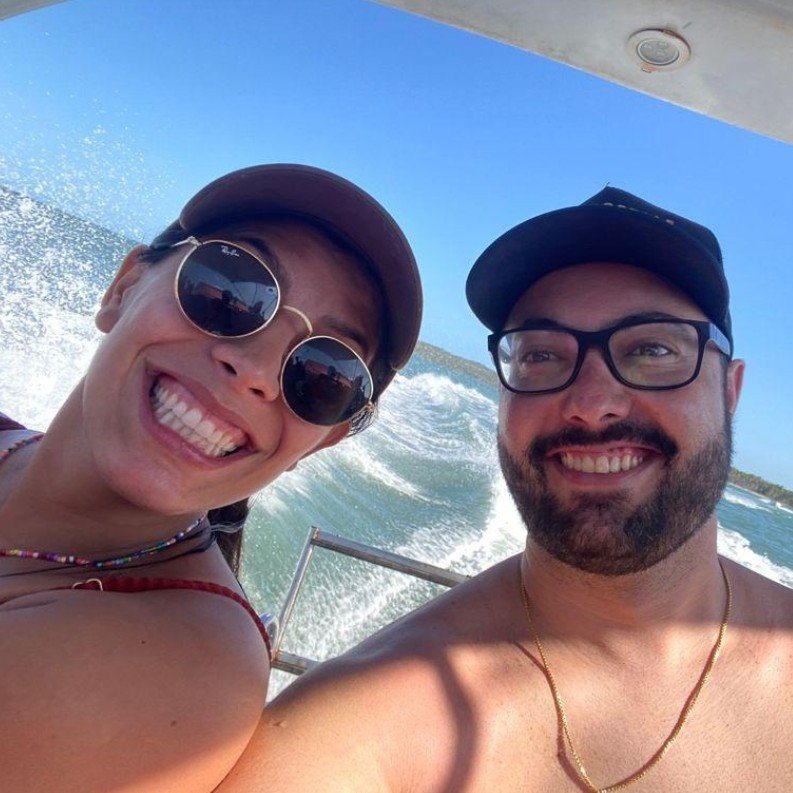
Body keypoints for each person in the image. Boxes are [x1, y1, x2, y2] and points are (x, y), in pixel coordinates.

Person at [220, 187, 793, 791]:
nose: (592, 403)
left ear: (730, 391)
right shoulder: (353, 735)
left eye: (652, 349)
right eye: (541, 355)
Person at [0, 163, 422, 792]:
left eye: (326, 374)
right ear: (123, 288)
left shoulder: (174, 670)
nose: (256, 372)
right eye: (228, 286)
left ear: (323, 441)